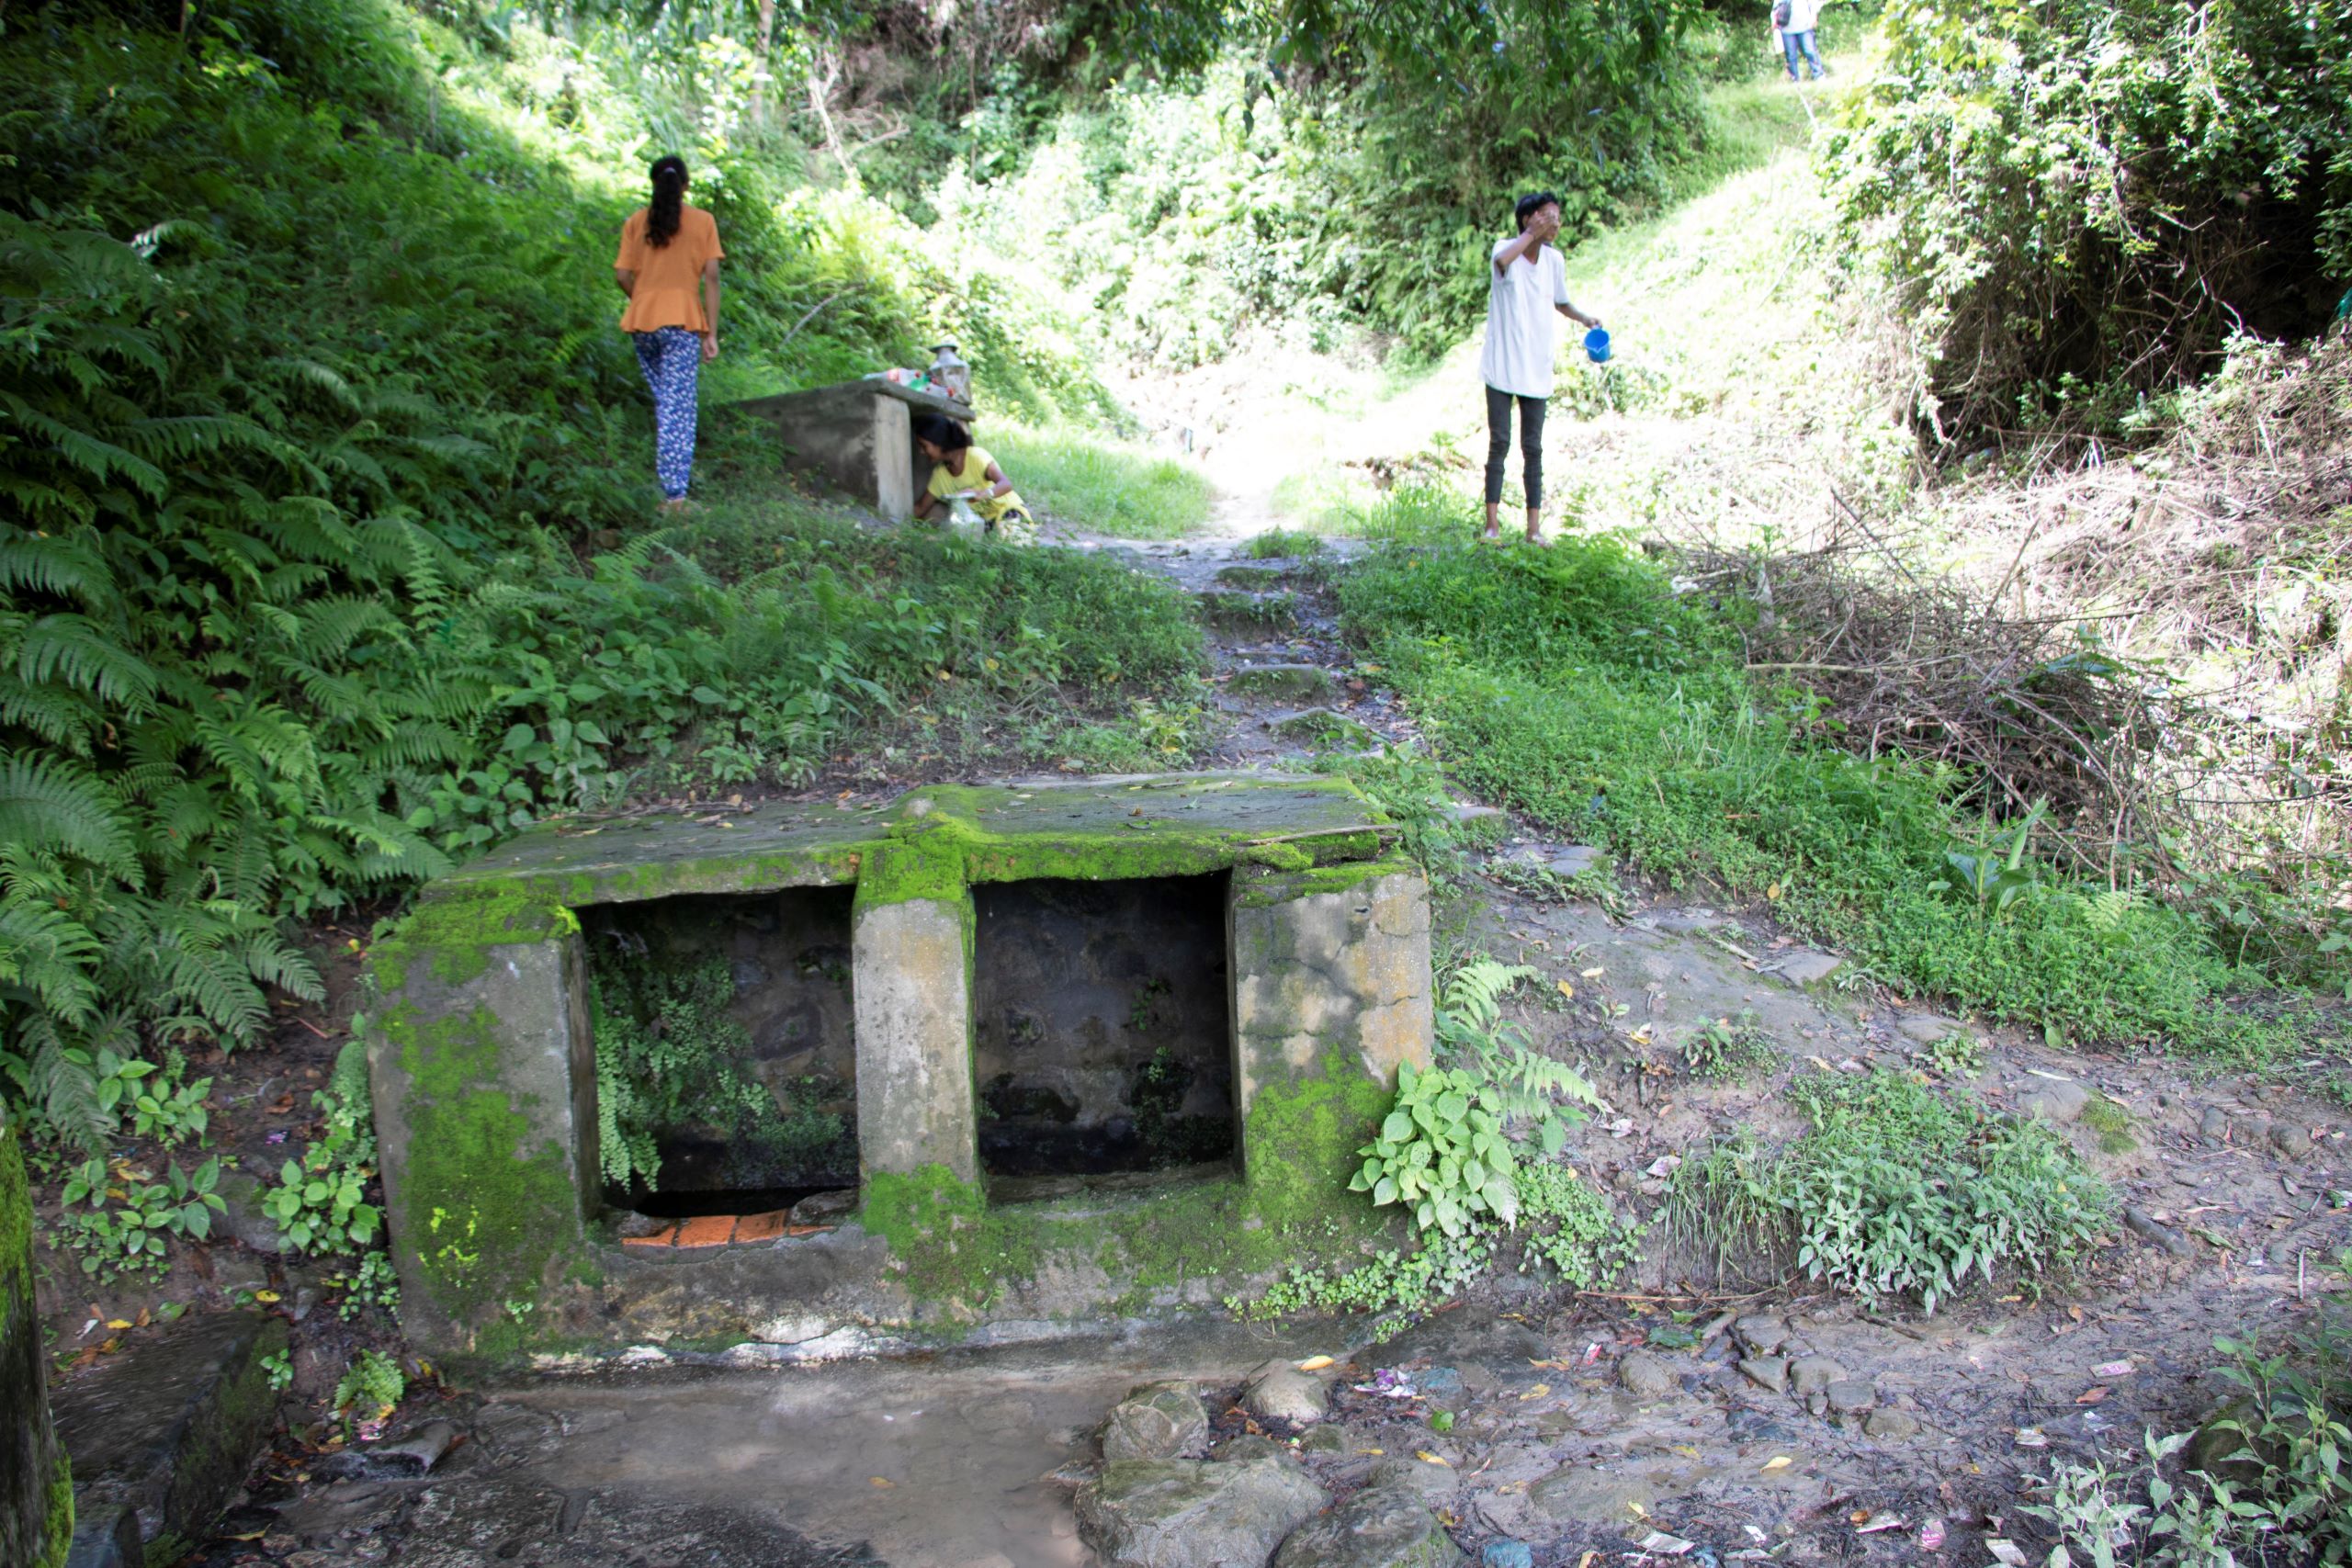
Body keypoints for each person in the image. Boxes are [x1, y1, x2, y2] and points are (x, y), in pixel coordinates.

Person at [1478, 191, 1602, 544]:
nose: (1556, 223)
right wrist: (1530, 234)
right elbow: (1503, 262)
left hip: (1536, 365)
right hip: (1502, 365)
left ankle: (1533, 530)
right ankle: (1492, 526)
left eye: (1557, 217)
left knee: (1533, 448)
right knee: (1499, 442)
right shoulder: (1505, 250)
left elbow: (1560, 301)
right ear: (1529, 218)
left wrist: (1584, 318)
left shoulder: (1555, 261)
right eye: (1549, 216)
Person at [614, 155, 724, 512]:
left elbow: (622, 276)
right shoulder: (703, 222)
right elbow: (712, 278)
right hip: (682, 323)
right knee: (679, 407)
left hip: (642, 323)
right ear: (686, 186)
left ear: (654, 183)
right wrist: (711, 332)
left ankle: (669, 486)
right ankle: (674, 496)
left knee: (667, 402)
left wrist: (644, 302)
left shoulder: (635, 222)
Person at [910, 413, 1031, 536]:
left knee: (1009, 539)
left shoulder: (976, 456)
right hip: (984, 524)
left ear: (938, 442)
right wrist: (898, 526)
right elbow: (921, 508)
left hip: (1009, 512)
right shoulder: (940, 475)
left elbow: (1006, 484)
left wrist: (982, 494)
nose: (921, 451)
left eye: (924, 446)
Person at [1774, 0, 1827, 81]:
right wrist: (1774, 23)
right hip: (1786, 30)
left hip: (1805, 27)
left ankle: (1819, 75)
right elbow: (1775, 9)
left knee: (1810, 51)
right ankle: (1795, 78)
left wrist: (1813, 17)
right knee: (1791, 56)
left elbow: (1813, 4)